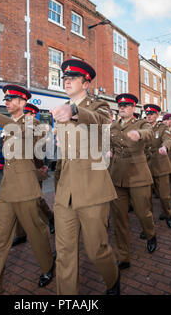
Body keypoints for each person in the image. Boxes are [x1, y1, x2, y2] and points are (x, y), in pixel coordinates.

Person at [0, 84, 55, 294]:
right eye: (5, 99)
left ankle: (48, 266)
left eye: (11, 99)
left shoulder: (33, 123)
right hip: (7, 188)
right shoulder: (8, 124)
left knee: (36, 232)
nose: (7, 102)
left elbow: (27, 138)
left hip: (25, 187)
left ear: (22, 102)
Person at [51, 59, 119, 295]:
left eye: (72, 78)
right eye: (64, 78)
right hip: (65, 191)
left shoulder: (99, 106)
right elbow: (65, 155)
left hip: (92, 188)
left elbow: (102, 121)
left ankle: (113, 280)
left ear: (86, 83)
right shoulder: (62, 108)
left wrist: (75, 111)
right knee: (65, 252)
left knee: (96, 250)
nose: (66, 81)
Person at [109, 95, 157, 269]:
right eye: (120, 105)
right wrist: (109, 152)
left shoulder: (141, 123)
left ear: (134, 108)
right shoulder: (113, 126)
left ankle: (150, 234)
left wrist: (139, 134)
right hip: (117, 175)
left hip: (138, 174)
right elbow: (109, 144)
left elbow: (150, 133)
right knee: (119, 218)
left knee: (143, 212)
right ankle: (123, 256)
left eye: (126, 105)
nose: (122, 108)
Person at [12, 102, 55, 247]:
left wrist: (40, 167)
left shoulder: (37, 126)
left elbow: (37, 148)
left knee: (35, 201)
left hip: (33, 168)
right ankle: (21, 234)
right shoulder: (14, 124)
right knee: (17, 202)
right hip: (16, 169)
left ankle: (50, 219)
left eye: (26, 113)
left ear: (32, 114)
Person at [144, 104, 171, 229]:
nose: (149, 116)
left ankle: (168, 214)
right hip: (145, 165)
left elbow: (168, 139)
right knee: (146, 198)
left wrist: (164, 147)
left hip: (160, 164)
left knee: (164, 195)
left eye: (152, 114)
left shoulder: (162, 127)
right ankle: (148, 224)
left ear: (157, 115)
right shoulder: (142, 126)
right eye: (147, 114)